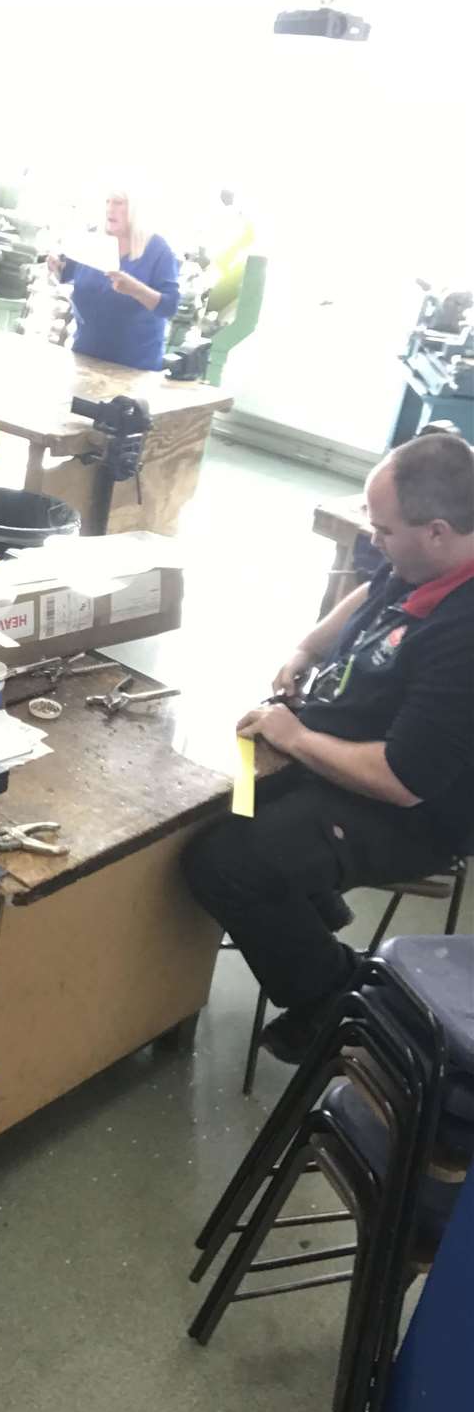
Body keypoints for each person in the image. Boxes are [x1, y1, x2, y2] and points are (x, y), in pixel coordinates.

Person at [183, 434, 474, 1064]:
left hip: (413, 810)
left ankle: (333, 1001)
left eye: (385, 530)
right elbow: (373, 592)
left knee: (227, 860)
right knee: (218, 792)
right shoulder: (425, 560)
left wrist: (299, 739)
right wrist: (306, 650)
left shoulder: (464, 635)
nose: (375, 542)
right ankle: (316, 910)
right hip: (345, 742)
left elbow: (403, 779)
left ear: (439, 531)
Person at [47, 189, 180, 371]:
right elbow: (67, 274)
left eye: (118, 203)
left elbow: (169, 306)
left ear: (135, 208)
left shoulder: (158, 250)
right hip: (85, 359)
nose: (110, 209)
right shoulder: (92, 239)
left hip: (135, 369)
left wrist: (135, 289)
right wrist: (56, 267)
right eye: (107, 202)